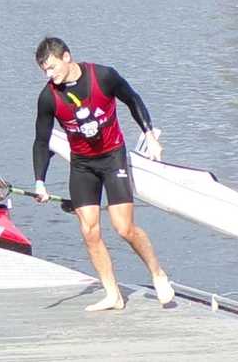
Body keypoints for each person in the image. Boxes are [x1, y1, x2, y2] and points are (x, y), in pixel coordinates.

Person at [32, 37, 174, 311]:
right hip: (82, 165)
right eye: (44, 71)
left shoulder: (104, 76)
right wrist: (40, 181)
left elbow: (133, 100)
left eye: (51, 67)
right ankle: (113, 295)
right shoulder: (48, 97)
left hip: (112, 158)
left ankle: (158, 275)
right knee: (89, 231)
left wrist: (149, 135)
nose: (49, 75)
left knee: (124, 228)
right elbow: (41, 141)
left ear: (66, 57)